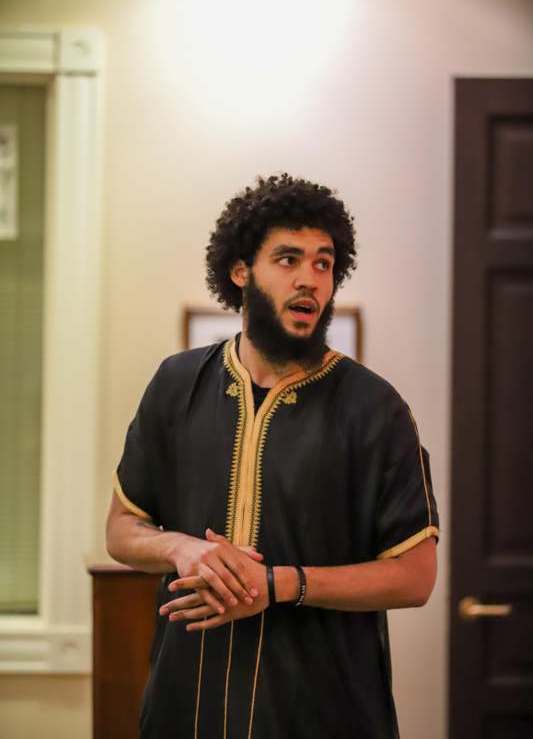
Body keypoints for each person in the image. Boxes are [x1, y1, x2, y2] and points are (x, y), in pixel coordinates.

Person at [106, 173, 439, 739]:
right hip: (184, 711)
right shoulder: (176, 384)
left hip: (325, 714)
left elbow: (415, 577)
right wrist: (180, 548)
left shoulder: (376, 410)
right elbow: (122, 530)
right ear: (241, 271)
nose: (309, 280)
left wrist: (283, 585)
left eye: (323, 263)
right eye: (288, 260)